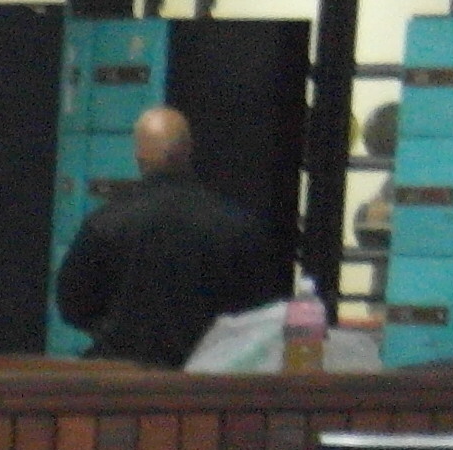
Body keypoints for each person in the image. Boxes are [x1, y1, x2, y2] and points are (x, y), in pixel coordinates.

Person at [56, 108, 288, 371]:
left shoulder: (105, 223)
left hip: (122, 379)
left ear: (138, 156)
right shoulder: (236, 226)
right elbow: (259, 313)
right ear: (188, 150)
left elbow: (72, 305)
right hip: (207, 381)